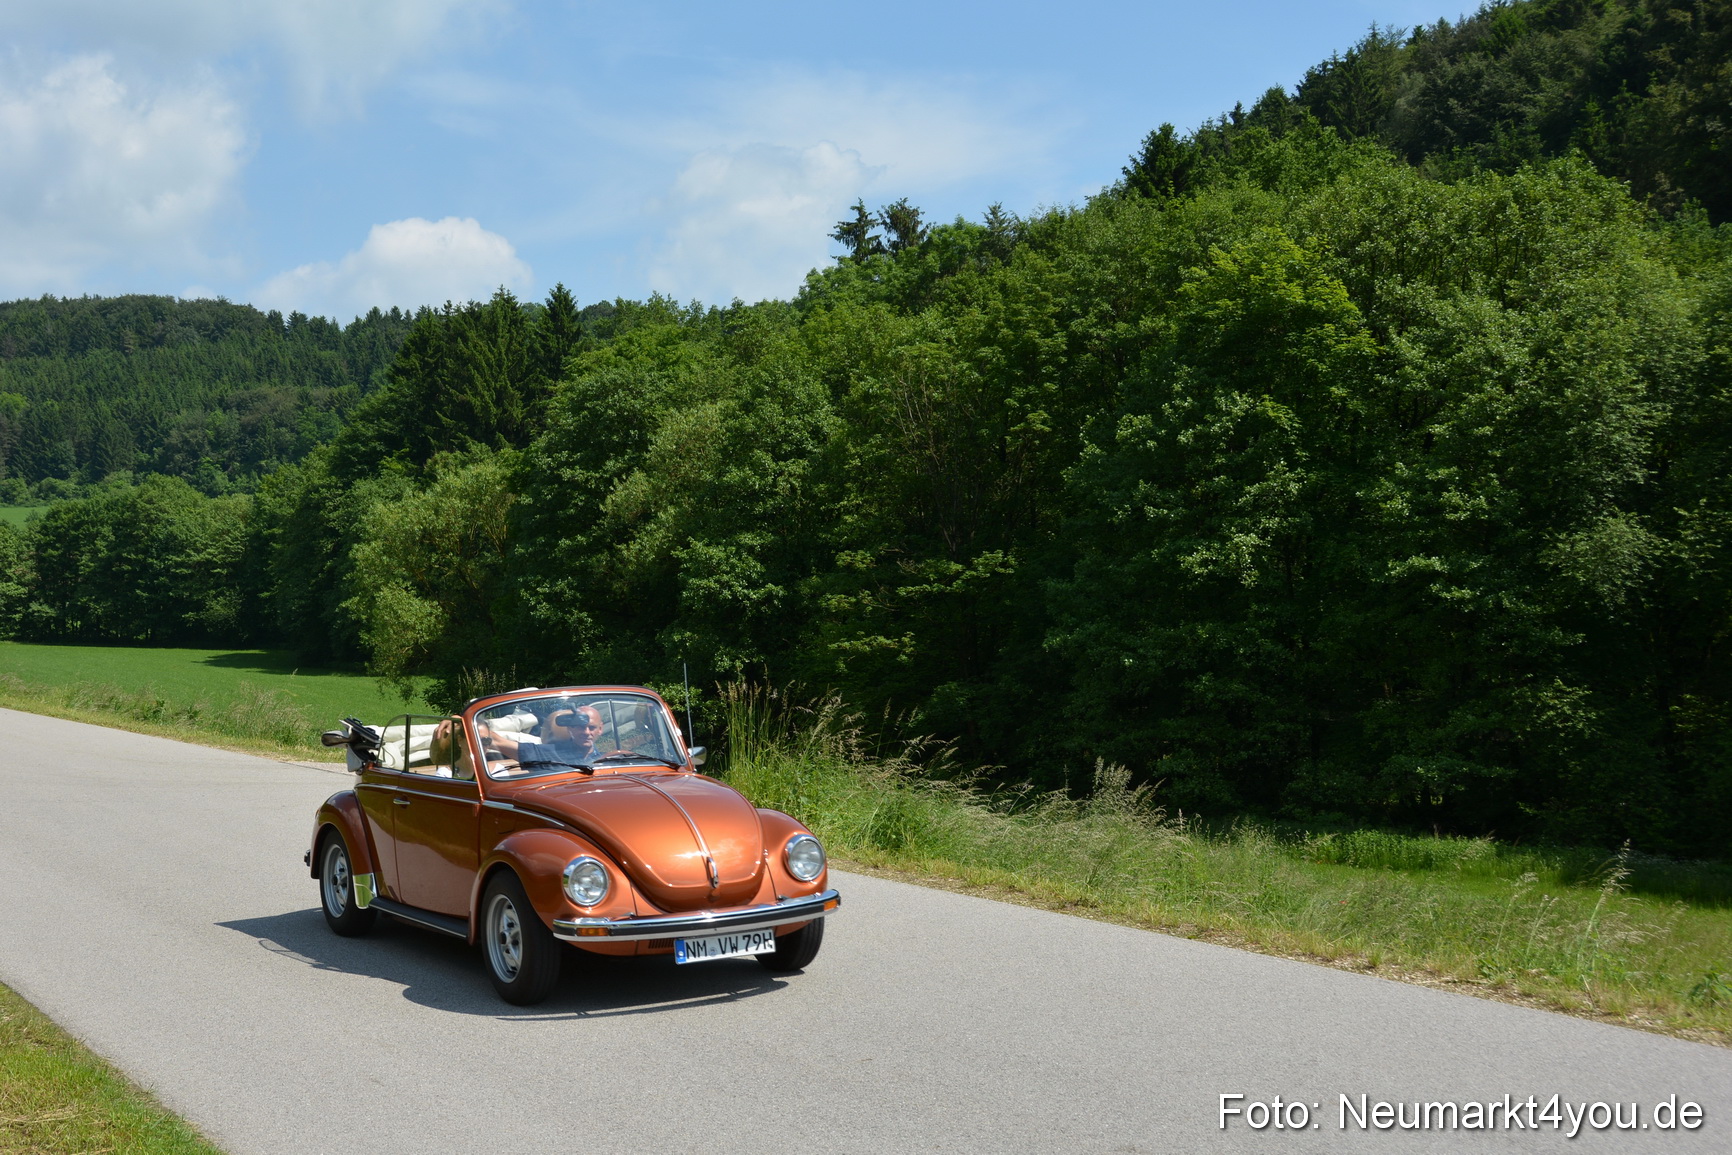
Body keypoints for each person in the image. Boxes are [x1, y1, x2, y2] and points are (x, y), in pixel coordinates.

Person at [516, 704, 608, 768]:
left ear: (600, 729)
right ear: (569, 728)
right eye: (581, 727)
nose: (587, 732)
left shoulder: (611, 759)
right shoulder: (550, 753)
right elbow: (507, 745)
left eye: (592, 728)